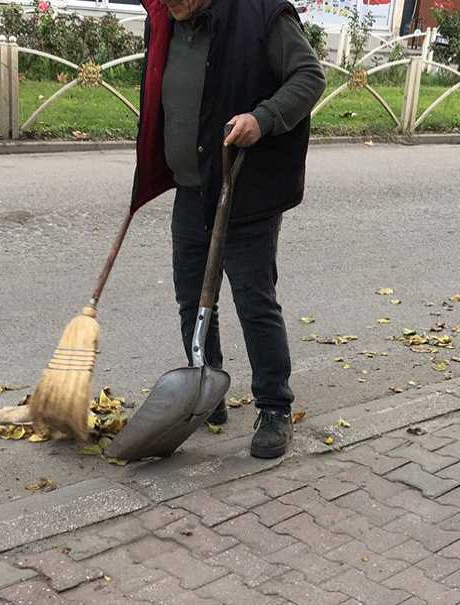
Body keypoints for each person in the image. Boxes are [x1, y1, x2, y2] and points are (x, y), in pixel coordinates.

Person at [131, 0, 326, 458]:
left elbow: (309, 77)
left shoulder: (262, 14)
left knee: (254, 302)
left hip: (246, 188)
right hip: (191, 185)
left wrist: (263, 118)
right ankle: (205, 392)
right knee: (192, 299)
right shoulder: (163, 18)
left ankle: (275, 407)